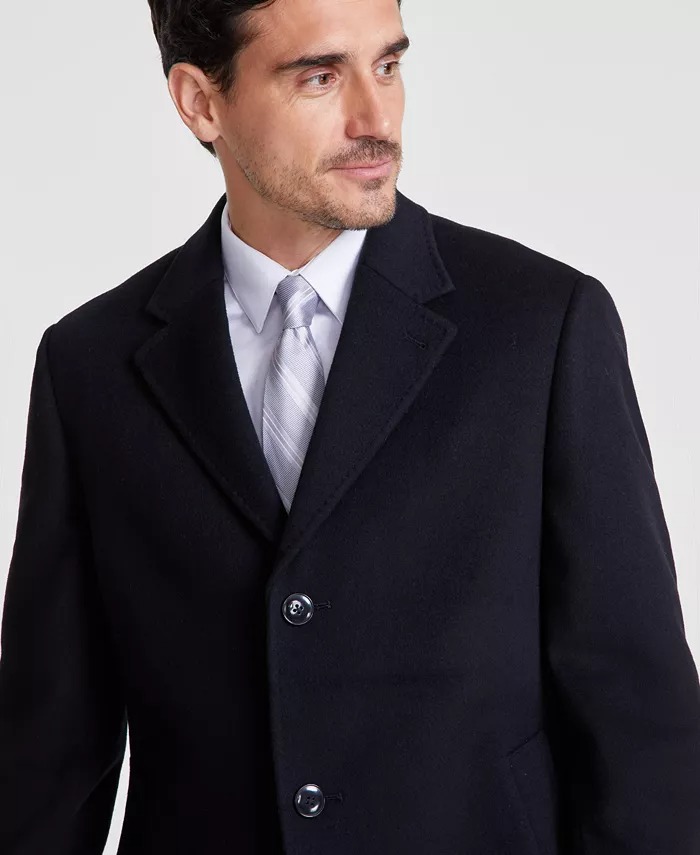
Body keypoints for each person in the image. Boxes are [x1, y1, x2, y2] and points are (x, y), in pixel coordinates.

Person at [1, 0, 699, 852]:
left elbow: (641, 729)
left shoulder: (542, 326)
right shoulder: (90, 365)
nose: (377, 119)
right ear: (200, 102)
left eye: (389, 66)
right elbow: (47, 758)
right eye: (321, 77)